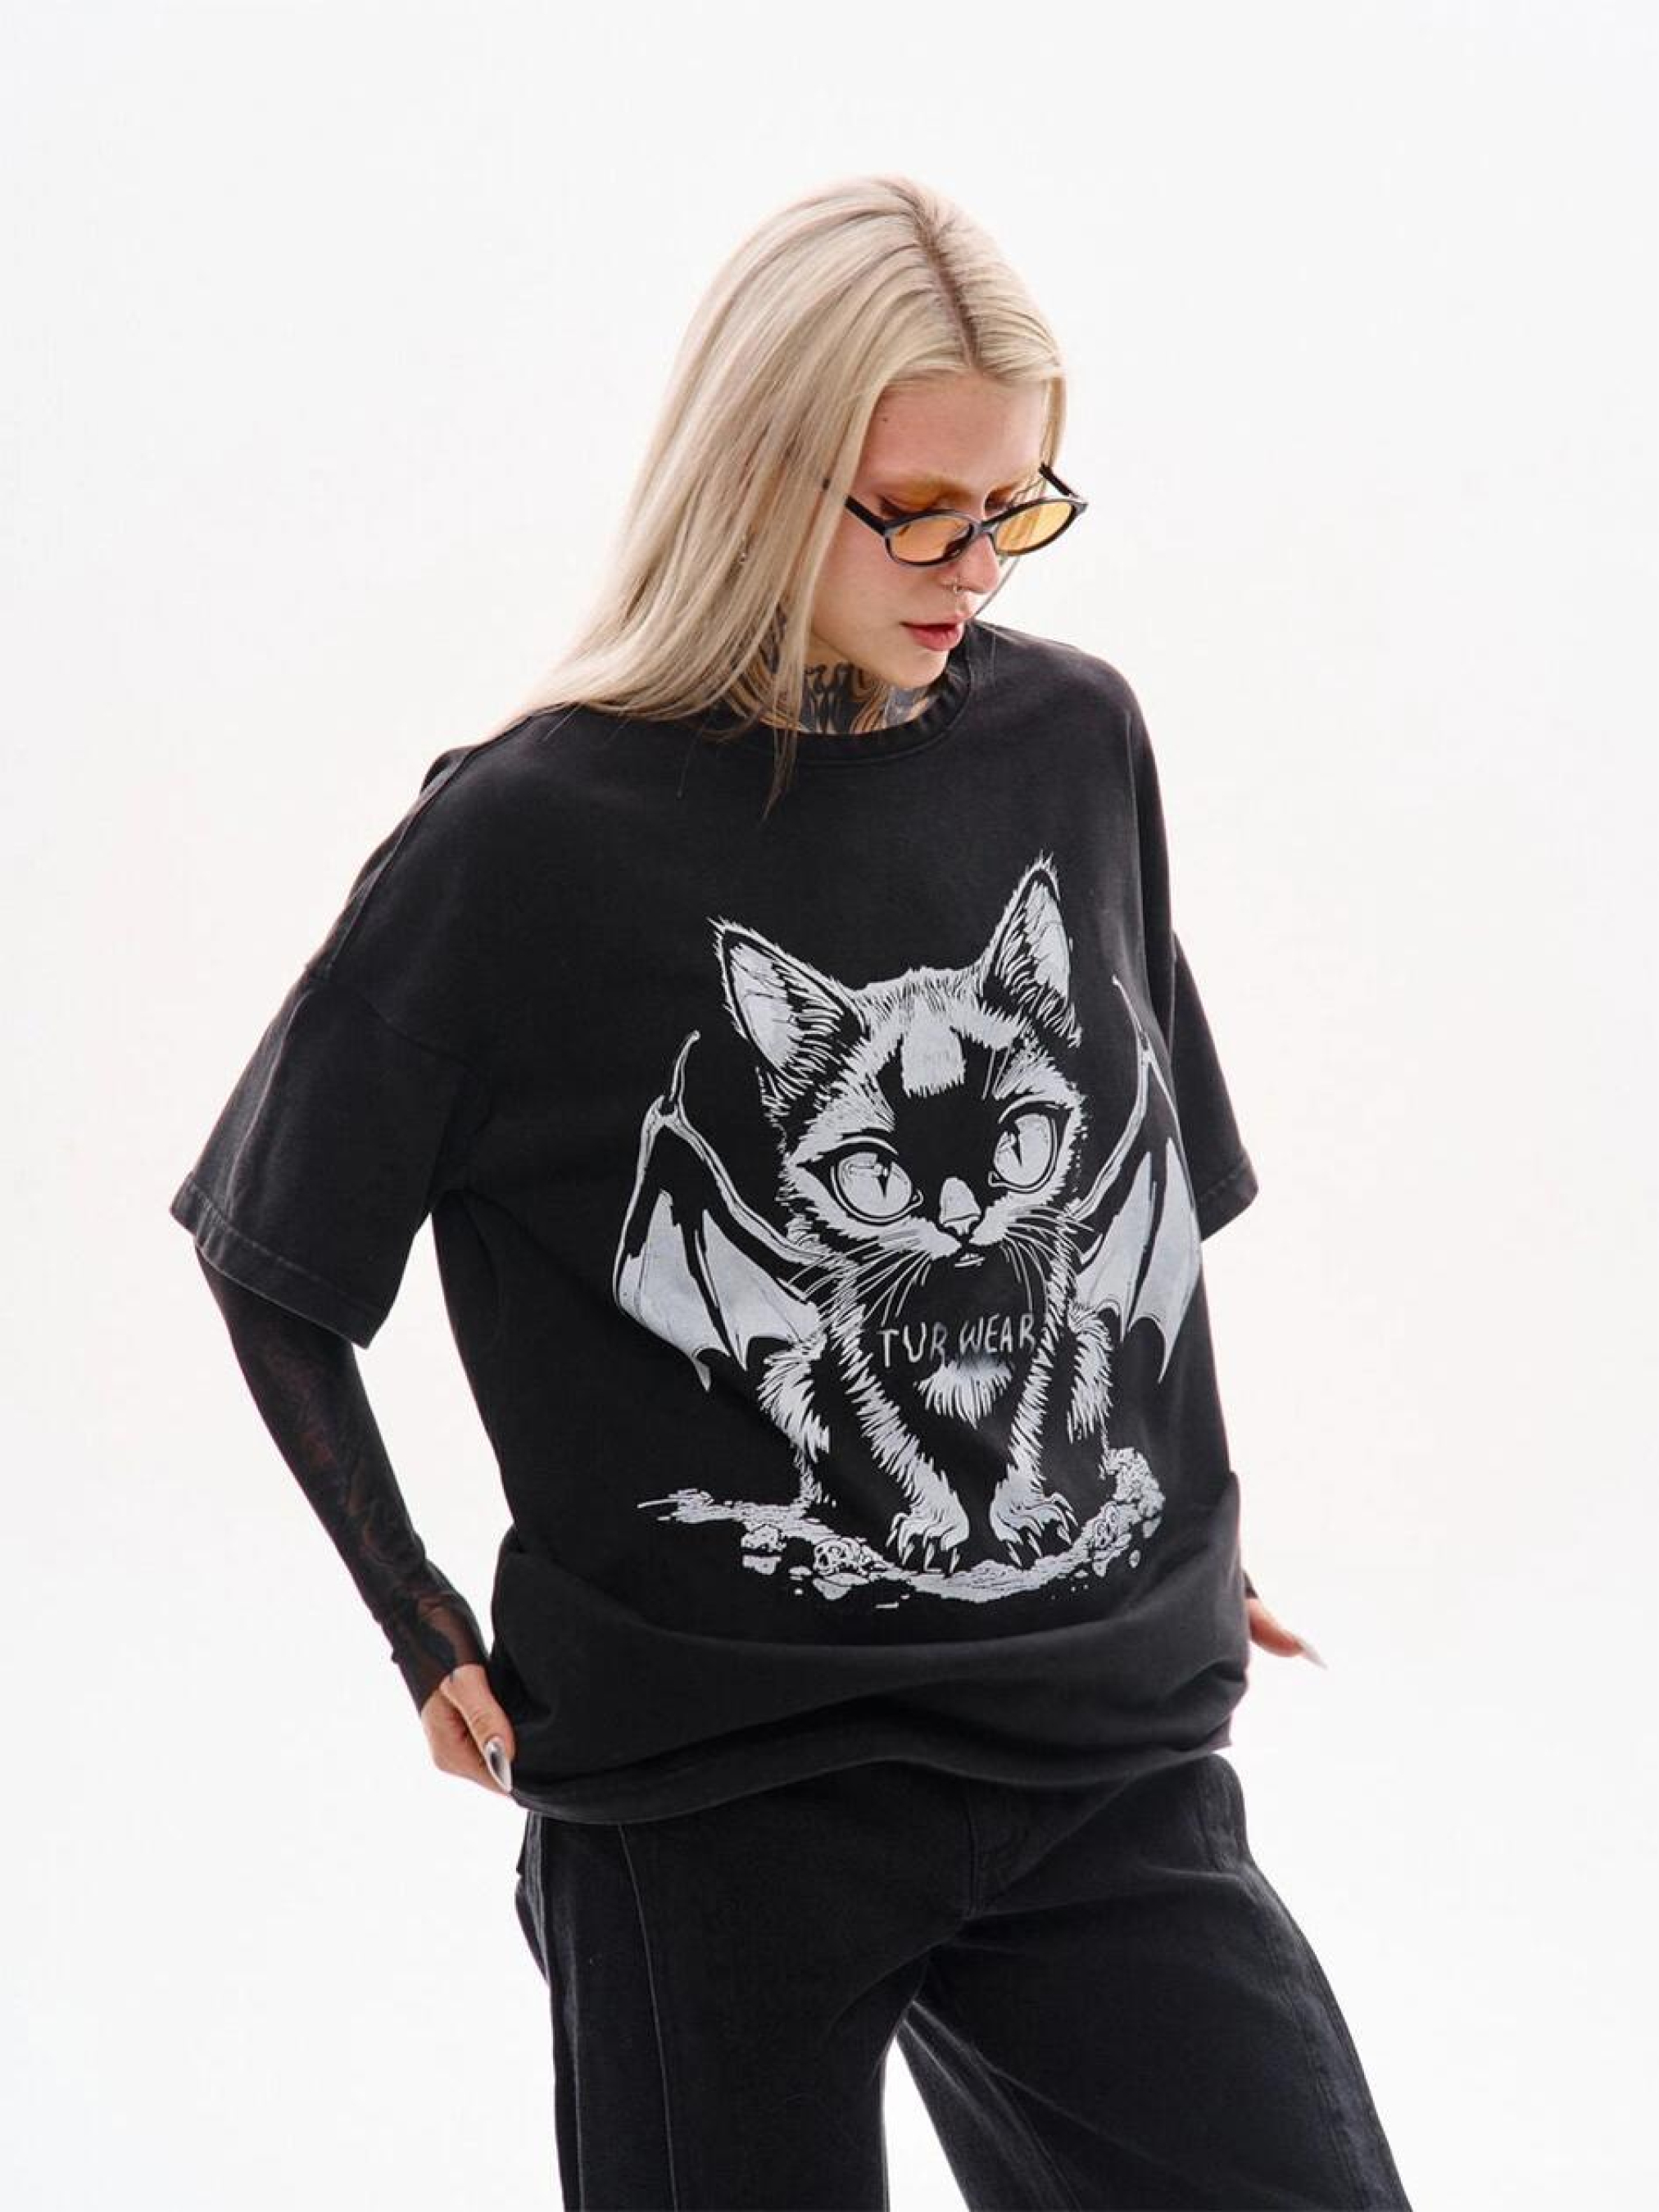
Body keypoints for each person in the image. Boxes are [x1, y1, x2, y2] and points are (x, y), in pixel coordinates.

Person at [170, 173, 1412, 2210]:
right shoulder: (528, 835)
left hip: (1100, 1758)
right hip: (712, 1801)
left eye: (1010, 506)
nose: (970, 566)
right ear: (756, 474)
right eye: (912, 510)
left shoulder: (1073, 741)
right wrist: (415, 1619)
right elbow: (275, 1246)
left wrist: (1147, 1502)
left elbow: (1142, 1178)